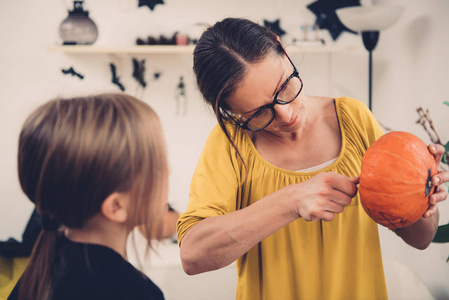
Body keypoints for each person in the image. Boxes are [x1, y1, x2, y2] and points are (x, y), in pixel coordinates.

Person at [176, 18, 448, 300]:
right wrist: (291, 200)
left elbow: (421, 238)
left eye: (284, 87)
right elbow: (193, 256)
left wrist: (423, 192)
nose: (286, 115)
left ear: (284, 51)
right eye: (259, 113)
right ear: (232, 113)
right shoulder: (230, 144)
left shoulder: (353, 119)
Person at [8, 93, 169, 300]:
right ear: (116, 207)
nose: (169, 170)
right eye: (157, 165)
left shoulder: (39, 272)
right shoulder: (134, 292)